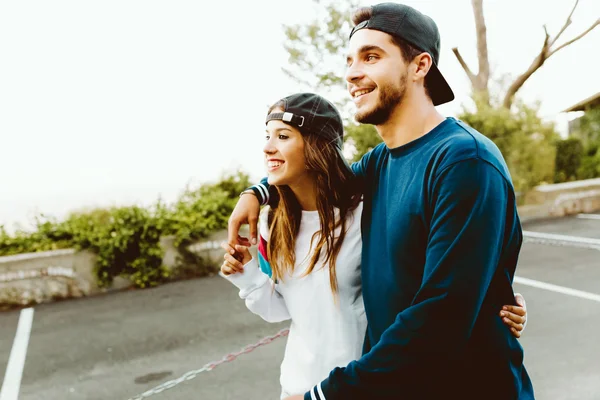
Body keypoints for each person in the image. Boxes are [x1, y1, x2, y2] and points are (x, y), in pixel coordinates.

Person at [221, 92, 528, 399]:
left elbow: (433, 286)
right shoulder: (272, 224)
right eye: (267, 136)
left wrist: (492, 304)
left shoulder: (365, 207)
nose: (268, 146)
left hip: (362, 384)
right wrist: (246, 269)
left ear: (317, 145)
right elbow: (285, 309)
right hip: (297, 389)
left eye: (283, 136)